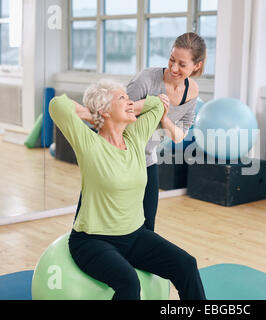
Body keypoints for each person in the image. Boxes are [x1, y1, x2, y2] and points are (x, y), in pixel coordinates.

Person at [49, 80, 206, 300]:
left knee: (187, 265)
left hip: (135, 236)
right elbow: (57, 105)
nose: (130, 101)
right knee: (129, 282)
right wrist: (91, 113)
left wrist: (128, 107)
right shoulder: (89, 144)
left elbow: (157, 105)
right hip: (92, 241)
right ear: (104, 111)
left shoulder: (135, 137)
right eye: (122, 98)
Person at [74, 32, 207, 232]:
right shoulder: (146, 79)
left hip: (146, 159)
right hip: (116, 156)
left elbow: (179, 136)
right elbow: (117, 114)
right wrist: (151, 105)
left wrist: (163, 117)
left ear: (196, 65)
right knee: (90, 215)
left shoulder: (192, 92)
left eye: (182, 64)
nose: (173, 68)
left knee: (147, 223)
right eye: (171, 60)